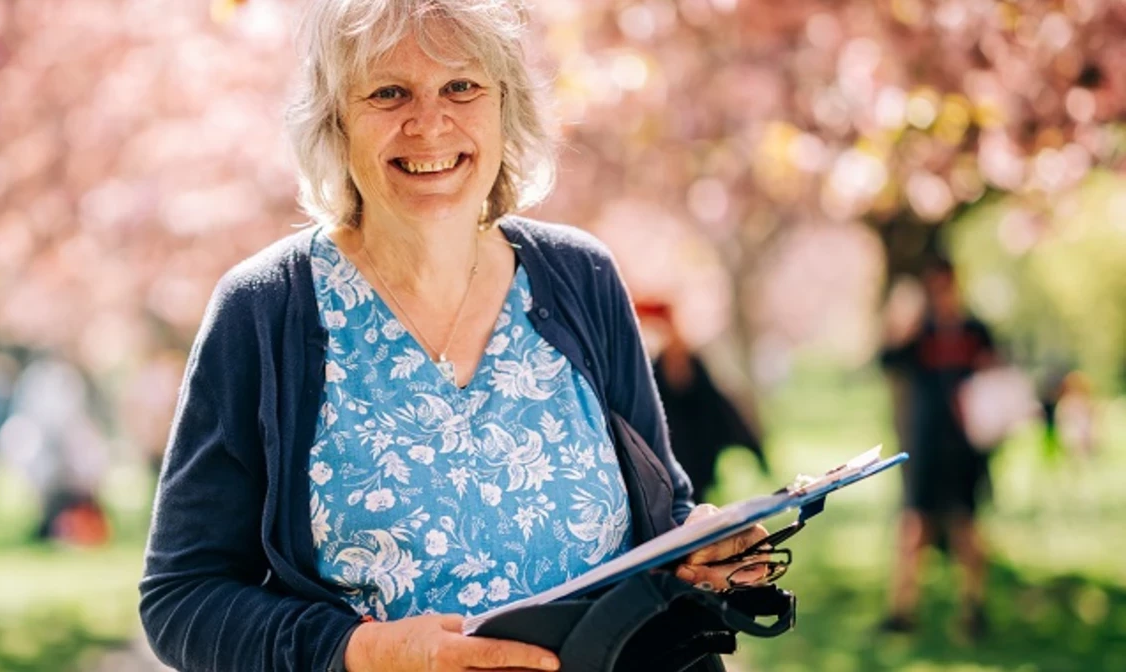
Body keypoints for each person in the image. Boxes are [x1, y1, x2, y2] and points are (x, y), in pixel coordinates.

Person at [138, 2, 774, 670]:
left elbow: (659, 514)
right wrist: (361, 652)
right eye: (389, 93)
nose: (430, 123)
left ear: (506, 105)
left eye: (461, 87)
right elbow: (182, 596)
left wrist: (696, 549)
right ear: (336, 119)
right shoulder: (265, 312)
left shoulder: (581, 279)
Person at [879, 258, 996, 641]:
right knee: (914, 528)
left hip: (964, 451)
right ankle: (902, 610)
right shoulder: (920, 333)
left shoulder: (976, 331)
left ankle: (974, 608)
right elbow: (887, 360)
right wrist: (901, 325)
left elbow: (995, 378)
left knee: (966, 527)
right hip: (925, 447)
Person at [636, 301, 767, 501]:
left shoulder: (693, 366)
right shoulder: (647, 370)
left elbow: (723, 410)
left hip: (694, 456)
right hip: (664, 458)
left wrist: (756, 450)